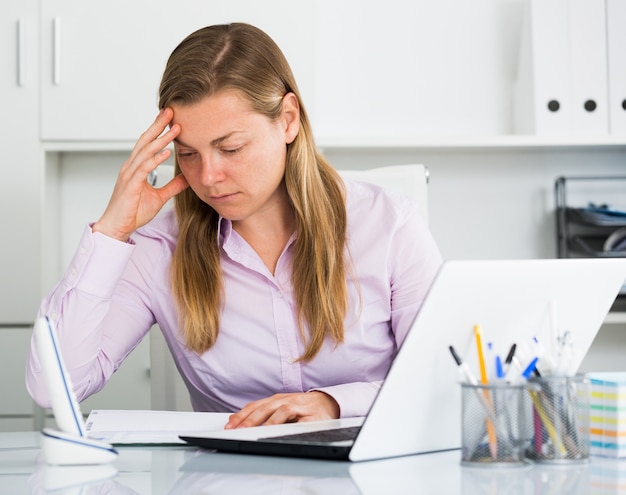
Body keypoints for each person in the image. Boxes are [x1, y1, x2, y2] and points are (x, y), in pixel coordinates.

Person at [26, 23, 442, 428]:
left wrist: (335, 404)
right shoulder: (158, 247)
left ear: (288, 120)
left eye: (230, 148)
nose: (207, 176)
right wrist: (113, 231)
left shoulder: (389, 227)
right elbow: (53, 387)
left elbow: (440, 378)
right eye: (187, 154)